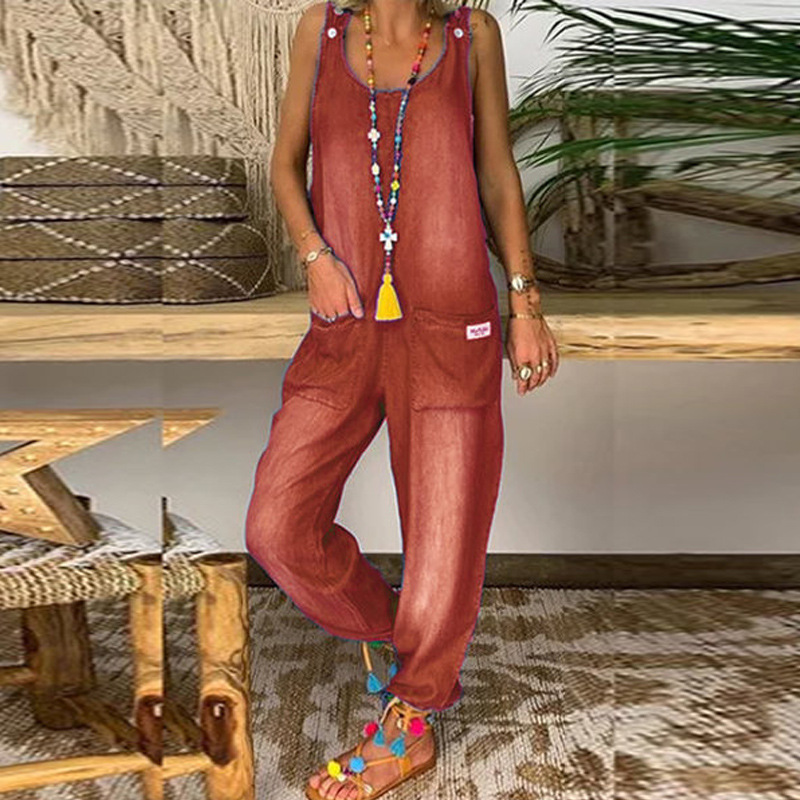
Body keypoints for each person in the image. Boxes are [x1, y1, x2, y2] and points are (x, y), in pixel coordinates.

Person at [245, 0, 559, 797]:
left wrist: (525, 302)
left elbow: (497, 172)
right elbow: (285, 162)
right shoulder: (320, 31)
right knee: (277, 524)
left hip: (452, 324)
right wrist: (315, 256)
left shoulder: (469, 36)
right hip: (344, 324)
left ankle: (410, 720)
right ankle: (405, 637)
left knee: (445, 534)